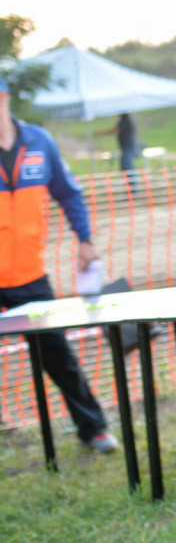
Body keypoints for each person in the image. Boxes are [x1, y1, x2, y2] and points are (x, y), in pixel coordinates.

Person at [0, 74, 118, 454]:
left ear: (4, 97)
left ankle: (93, 428)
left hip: (30, 277)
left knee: (58, 357)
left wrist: (85, 240)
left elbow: (69, 194)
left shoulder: (39, 142)